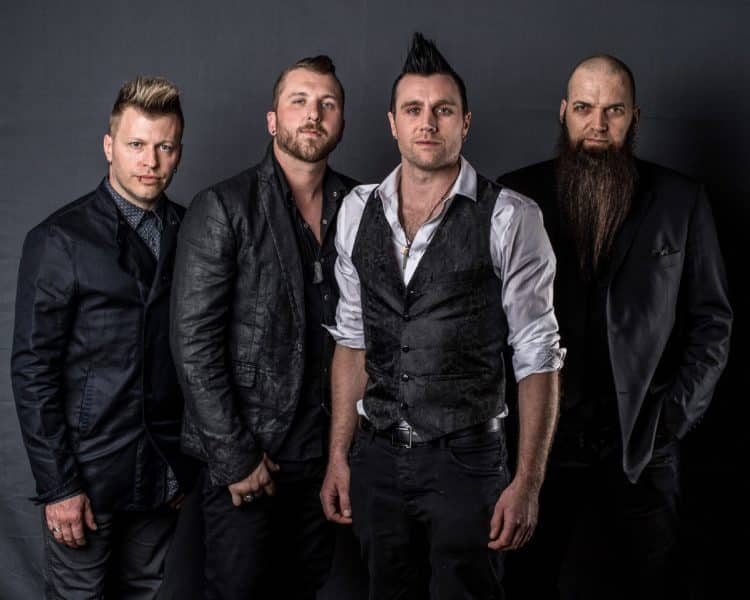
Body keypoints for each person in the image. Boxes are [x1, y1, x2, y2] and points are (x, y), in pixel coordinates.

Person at [319, 33, 564, 599]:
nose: (427, 122)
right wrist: (338, 456)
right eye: (413, 109)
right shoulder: (356, 211)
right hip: (377, 458)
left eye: (443, 110)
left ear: (465, 122)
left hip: (468, 462)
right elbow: (352, 342)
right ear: (393, 123)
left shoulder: (510, 217)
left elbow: (538, 357)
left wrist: (528, 482)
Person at [498, 55, 733, 599]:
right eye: (584, 108)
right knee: (524, 587)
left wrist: (671, 421)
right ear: (563, 112)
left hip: (643, 446)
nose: (598, 125)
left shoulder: (681, 200)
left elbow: (713, 322)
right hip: (539, 447)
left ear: (635, 117)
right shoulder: (515, 196)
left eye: (614, 111)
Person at [170, 55, 358, 599]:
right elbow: (193, 345)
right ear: (273, 120)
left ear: (341, 123)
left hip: (326, 459)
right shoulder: (223, 206)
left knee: (308, 588)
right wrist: (235, 459)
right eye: (299, 101)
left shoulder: (362, 206)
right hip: (251, 460)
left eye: (327, 103)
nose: (313, 114)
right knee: (239, 590)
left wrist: (346, 454)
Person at [11, 76, 195, 599]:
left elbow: (200, 352)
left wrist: (186, 465)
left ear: (179, 152)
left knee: (147, 592)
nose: (150, 161)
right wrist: (59, 486)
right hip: (86, 478)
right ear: (109, 146)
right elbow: (32, 369)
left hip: (162, 475)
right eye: (136, 144)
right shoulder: (59, 239)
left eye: (165, 147)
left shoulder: (193, 230)